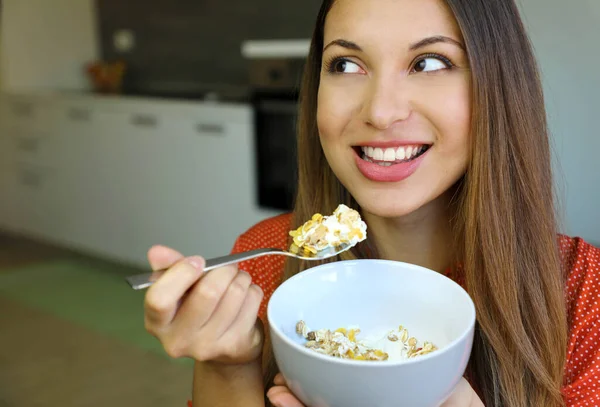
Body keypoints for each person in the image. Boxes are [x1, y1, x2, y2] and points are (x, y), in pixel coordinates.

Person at [142, 0, 600, 405]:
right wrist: (229, 364)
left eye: (430, 62)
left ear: (498, 85)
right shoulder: (264, 263)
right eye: (344, 65)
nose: (380, 112)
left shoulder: (584, 294)